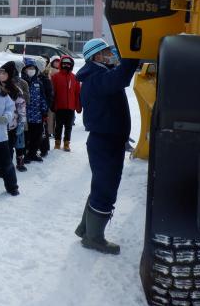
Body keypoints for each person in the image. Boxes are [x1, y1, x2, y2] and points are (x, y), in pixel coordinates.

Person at [74, 38, 139, 255]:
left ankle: (85, 229)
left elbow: (117, 75)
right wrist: (132, 53)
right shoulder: (96, 78)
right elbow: (121, 77)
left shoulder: (98, 75)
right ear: (95, 57)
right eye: (105, 52)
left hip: (107, 140)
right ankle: (94, 238)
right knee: (106, 188)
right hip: (105, 142)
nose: (110, 55)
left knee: (100, 185)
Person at [22, 58, 51, 162]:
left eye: (33, 68)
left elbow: (43, 98)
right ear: (24, 69)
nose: (31, 70)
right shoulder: (22, 82)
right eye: (29, 68)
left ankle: (33, 153)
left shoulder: (38, 83)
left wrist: (44, 111)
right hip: (25, 117)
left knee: (37, 136)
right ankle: (24, 155)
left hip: (37, 116)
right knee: (25, 137)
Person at [51, 55, 82, 152]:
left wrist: (78, 106)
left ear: (71, 65)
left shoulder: (75, 77)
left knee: (68, 126)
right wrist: (52, 104)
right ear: (61, 64)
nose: (66, 66)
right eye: (64, 64)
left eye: (68, 64)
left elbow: (78, 93)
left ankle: (66, 143)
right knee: (58, 126)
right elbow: (53, 92)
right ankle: (57, 142)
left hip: (70, 107)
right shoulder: (55, 77)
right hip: (59, 106)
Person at [2, 61, 28, 172]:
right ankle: (5, 163)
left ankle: (19, 161)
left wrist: (22, 122)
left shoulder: (19, 86)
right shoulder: (0, 85)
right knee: (6, 145)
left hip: (15, 121)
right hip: (2, 122)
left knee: (19, 142)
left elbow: (23, 103)